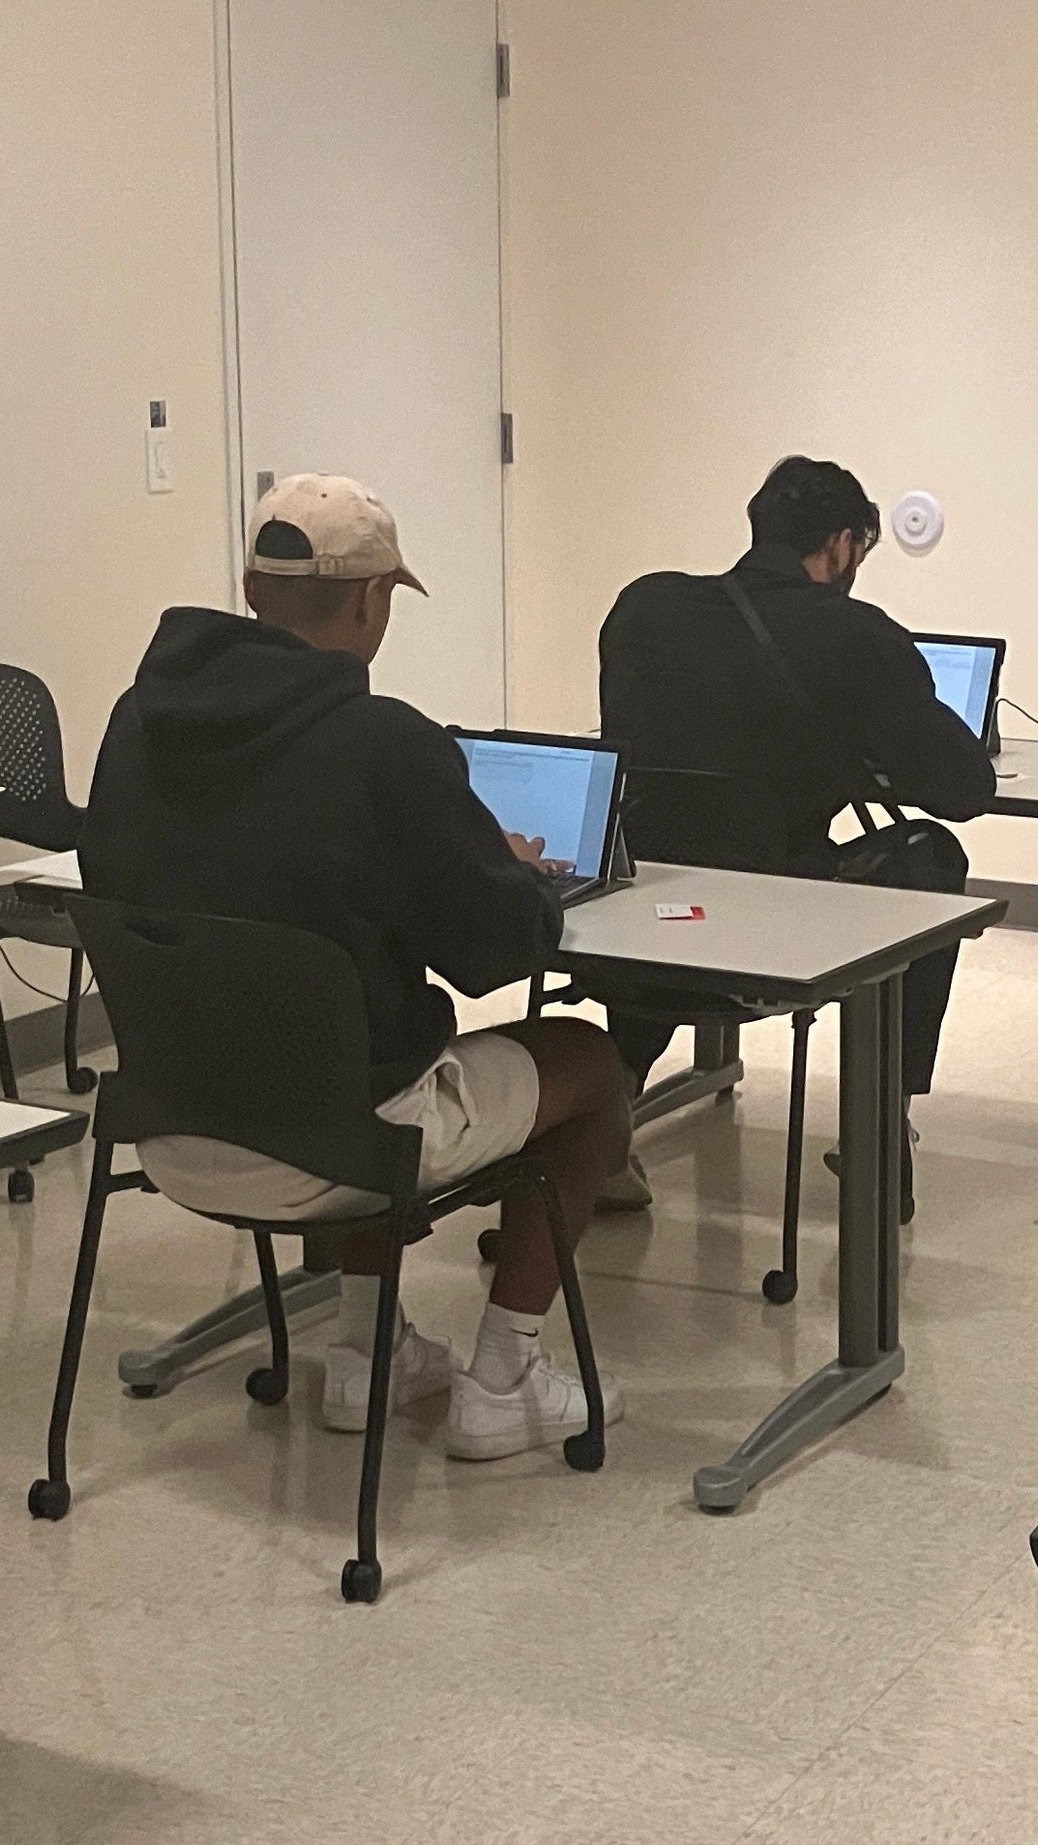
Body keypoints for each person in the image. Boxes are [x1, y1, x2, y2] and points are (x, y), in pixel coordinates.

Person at [79, 474, 631, 1460]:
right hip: (338, 1146)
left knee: (366, 1029)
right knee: (587, 1064)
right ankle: (504, 1379)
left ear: (252, 590)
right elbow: (492, 953)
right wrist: (508, 872)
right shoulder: (383, 743)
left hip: (166, 1123)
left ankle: (367, 1356)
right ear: (376, 598)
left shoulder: (136, 723)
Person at [596, 456, 994, 1209]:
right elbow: (963, 789)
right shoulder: (857, 633)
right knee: (931, 855)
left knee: (685, 849)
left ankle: (609, 1111)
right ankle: (879, 1122)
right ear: (842, 546)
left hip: (639, 924)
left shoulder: (645, 606)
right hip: (773, 933)